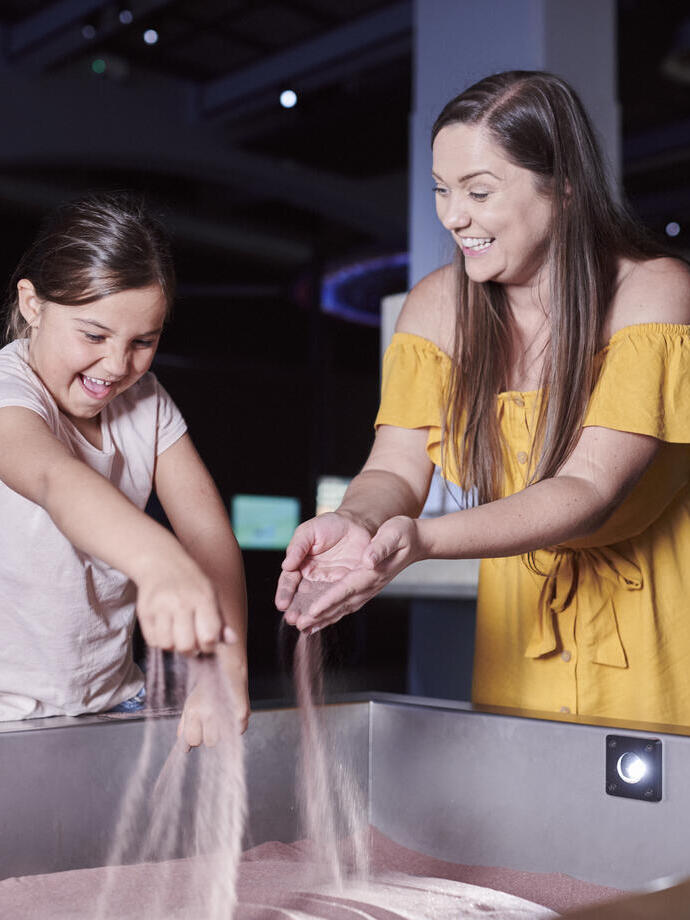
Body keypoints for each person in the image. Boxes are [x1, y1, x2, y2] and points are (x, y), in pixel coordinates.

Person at [276, 70, 690, 726]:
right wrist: (356, 522)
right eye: (442, 189)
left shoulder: (655, 293)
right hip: (518, 654)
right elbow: (394, 467)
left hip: (660, 656)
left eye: (478, 191)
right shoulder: (437, 306)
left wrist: (419, 540)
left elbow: (585, 489)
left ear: (564, 189)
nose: (452, 215)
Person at [0, 193, 249, 745]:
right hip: (8, 716)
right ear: (33, 304)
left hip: (117, 702)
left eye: (143, 341)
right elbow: (52, 479)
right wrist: (160, 562)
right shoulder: (8, 395)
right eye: (93, 335)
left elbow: (207, 532)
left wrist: (226, 667)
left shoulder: (148, 401)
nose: (116, 366)